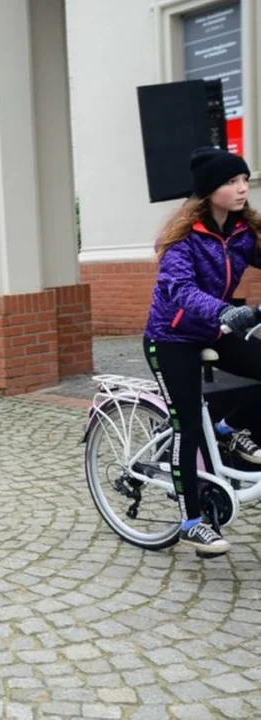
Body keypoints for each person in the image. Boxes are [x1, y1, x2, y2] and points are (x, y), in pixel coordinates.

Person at [143, 146, 261, 557]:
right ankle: (192, 521)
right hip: (171, 337)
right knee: (187, 426)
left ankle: (228, 429)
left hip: (215, 330)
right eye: (231, 181)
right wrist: (227, 310)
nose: (242, 187)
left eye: (244, 179)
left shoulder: (244, 231)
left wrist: (228, 317)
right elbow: (180, 290)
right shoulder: (182, 237)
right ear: (209, 191)